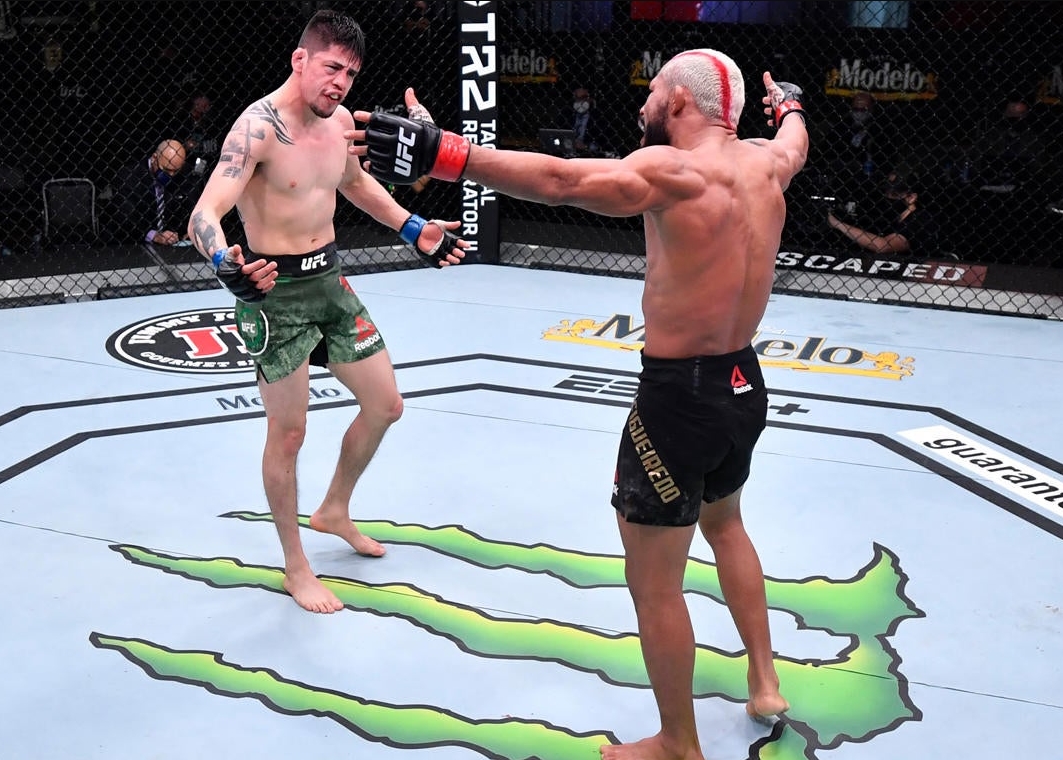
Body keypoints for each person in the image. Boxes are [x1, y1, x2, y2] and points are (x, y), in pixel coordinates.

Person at [352, 49, 806, 759]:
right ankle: (765, 679)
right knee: (726, 525)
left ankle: (678, 744)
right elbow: (794, 138)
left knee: (654, 583)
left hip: (678, 400)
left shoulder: (673, 172)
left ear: (680, 103)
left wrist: (448, 155)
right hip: (742, 383)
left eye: (652, 90)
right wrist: (793, 105)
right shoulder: (768, 163)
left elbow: (561, 181)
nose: (643, 101)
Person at [185, 9, 467, 614]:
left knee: (386, 404)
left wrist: (413, 227)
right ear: (300, 60)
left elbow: (357, 185)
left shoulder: (340, 124)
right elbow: (204, 214)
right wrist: (224, 262)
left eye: (350, 74)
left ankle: (334, 508)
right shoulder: (256, 129)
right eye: (332, 68)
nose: (340, 83)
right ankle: (295, 565)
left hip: (330, 283)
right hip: (274, 295)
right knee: (289, 434)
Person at [826, 166, 940, 258]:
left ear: (911, 198)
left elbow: (883, 246)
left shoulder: (921, 220)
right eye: (886, 193)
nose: (888, 197)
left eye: (894, 194)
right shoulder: (890, 217)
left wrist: (838, 224)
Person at [112, 138, 188, 245]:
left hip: (169, 244)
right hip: (132, 243)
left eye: (175, 171)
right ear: (154, 158)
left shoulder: (180, 177)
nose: (171, 175)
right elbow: (126, 218)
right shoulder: (129, 176)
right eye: (166, 170)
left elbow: (185, 206)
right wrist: (154, 235)